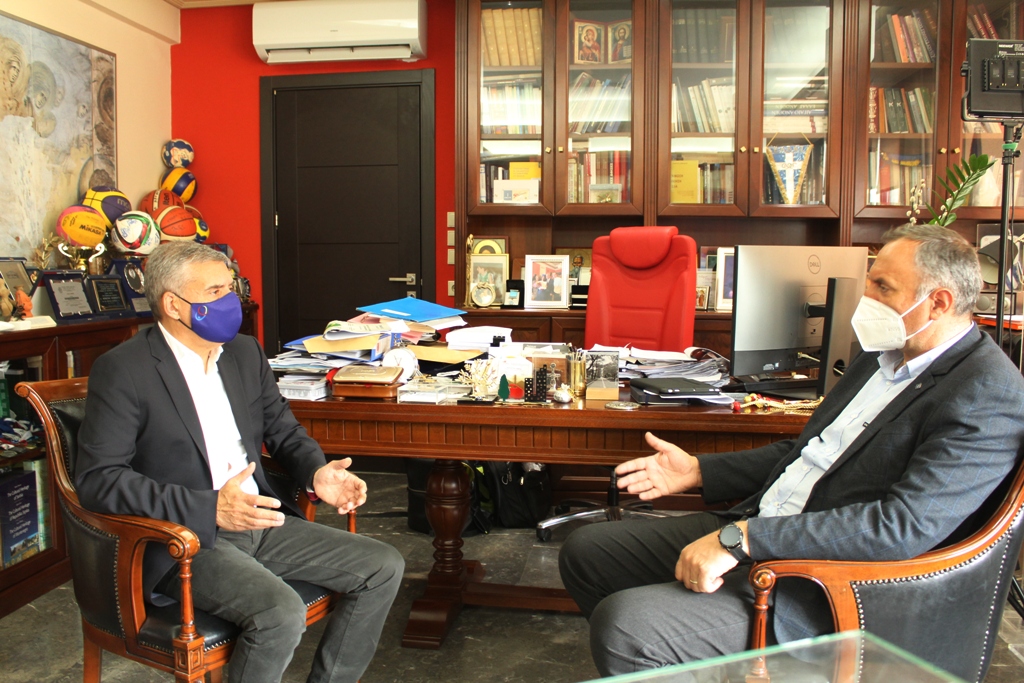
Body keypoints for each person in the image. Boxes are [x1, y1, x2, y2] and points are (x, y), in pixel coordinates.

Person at [559, 223, 1024, 675]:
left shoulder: (986, 391)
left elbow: (901, 526)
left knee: (627, 629)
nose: (865, 298)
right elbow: (809, 451)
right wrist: (699, 471)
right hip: (767, 526)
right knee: (587, 552)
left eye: (883, 287)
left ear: (938, 302)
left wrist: (743, 540)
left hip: (827, 584)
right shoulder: (881, 355)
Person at [75, 242, 404, 683]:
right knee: (279, 613)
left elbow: (283, 429)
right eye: (215, 292)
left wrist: (316, 472)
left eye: (230, 289)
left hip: (261, 520)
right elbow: (99, 480)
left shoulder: (245, 353)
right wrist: (209, 507)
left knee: (383, 565)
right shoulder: (124, 370)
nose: (230, 301)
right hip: (186, 540)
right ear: (173, 305)